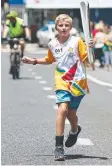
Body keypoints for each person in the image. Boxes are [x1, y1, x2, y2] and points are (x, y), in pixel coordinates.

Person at [22, 14, 94, 161]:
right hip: (62, 82)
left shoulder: (77, 41)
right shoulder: (52, 44)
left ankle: (74, 130)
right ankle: (59, 147)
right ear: (56, 27)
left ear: (70, 28)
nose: (64, 28)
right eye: (61, 25)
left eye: (66, 25)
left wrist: (90, 49)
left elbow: (87, 59)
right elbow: (50, 59)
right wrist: (34, 60)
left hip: (78, 83)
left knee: (71, 113)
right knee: (62, 110)